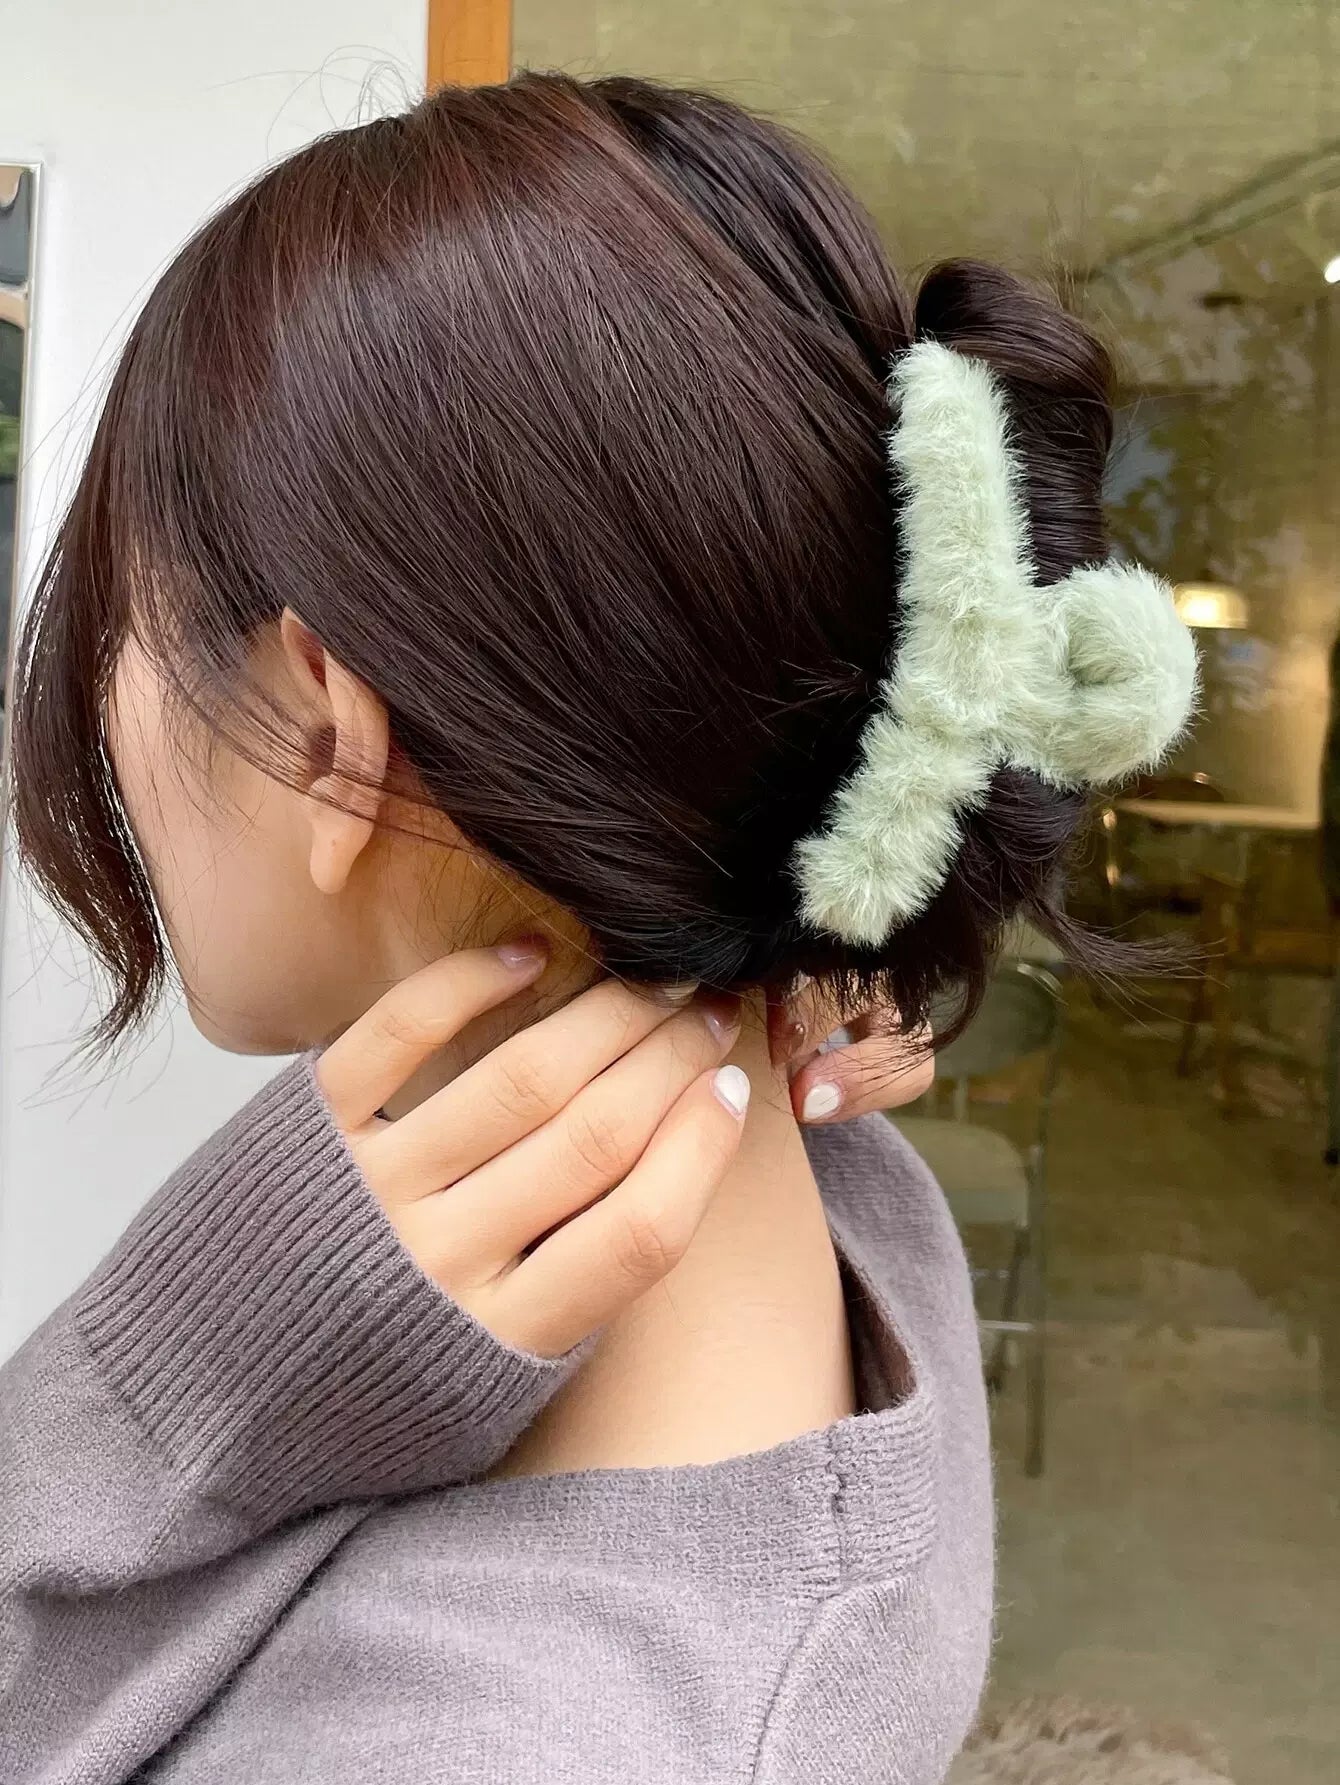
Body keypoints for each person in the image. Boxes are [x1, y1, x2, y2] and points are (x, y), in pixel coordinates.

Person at [0, 73, 1195, 1784]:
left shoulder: (462, 1745)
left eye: (123, 623)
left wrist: (163, 1395)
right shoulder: (853, 1230)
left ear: (324, 729)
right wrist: (772, 926)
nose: (101, 706)